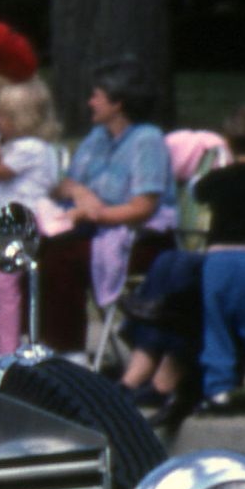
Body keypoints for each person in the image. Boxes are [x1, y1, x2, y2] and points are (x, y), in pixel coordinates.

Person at [118, 104, 245, 422]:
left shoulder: (216, 180)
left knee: (217, 326)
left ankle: (219, 390)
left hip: (218, 262)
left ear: (227, 144)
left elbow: (195, 190)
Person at [38, 57, 173, 354]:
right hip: (95, 231)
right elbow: (65, 183)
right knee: (35, 250)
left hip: (142, 239)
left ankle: (68, 352)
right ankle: (41, 342)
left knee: (62, 257)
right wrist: (80, 192)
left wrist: (94, 213)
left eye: (96, 96)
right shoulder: (97, 137)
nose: (90, 102)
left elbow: (143, 208)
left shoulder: (147, 141)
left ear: (118, 104)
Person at [0, 80, 63, 361]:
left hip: (21, 222)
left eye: (1, 117)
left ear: (19, 119)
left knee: (4, 287)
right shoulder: (18, 147)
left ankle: (6, 353)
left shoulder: (30, 147)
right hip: (3, 224)